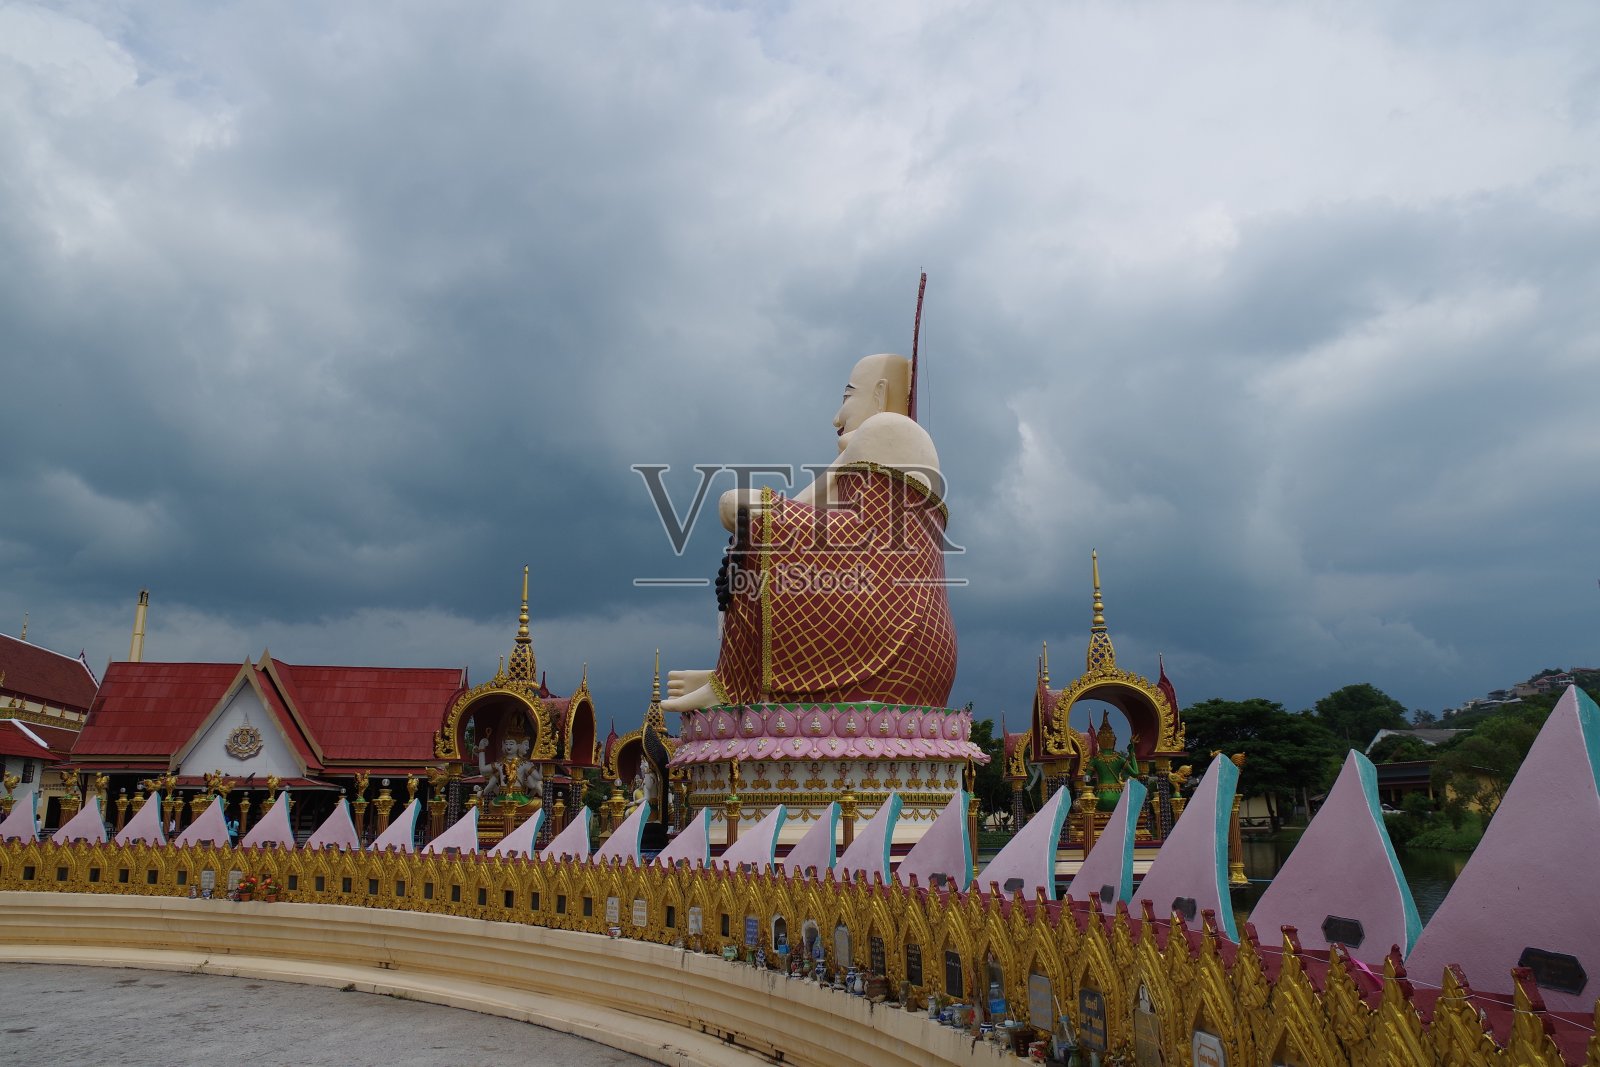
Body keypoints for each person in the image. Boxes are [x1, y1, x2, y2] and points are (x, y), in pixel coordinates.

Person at [664, 353, 956, 711]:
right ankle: (736, 677)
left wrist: (760, 510)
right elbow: (819, 515)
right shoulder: (880, 444)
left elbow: (863, 538)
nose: (837, 417)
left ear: (879, 396)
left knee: (750, 517)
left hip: (894, 631)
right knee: (750, 541)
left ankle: (732, 684)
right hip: (921, 649)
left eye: (847, 397)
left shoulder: (891, 429)